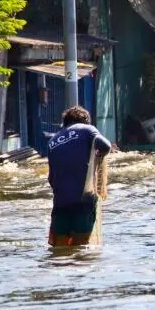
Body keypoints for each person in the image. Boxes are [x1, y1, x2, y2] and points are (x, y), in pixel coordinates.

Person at [47, 106, 112, 247]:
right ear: (85, 121)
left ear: (65, 123)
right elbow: (105, 145)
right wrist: (97, 159)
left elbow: (51, 179)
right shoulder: (87, 130)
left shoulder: (53, 140)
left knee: (60, 250)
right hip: (83, 202)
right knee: (81, 249)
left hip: (60, 205)